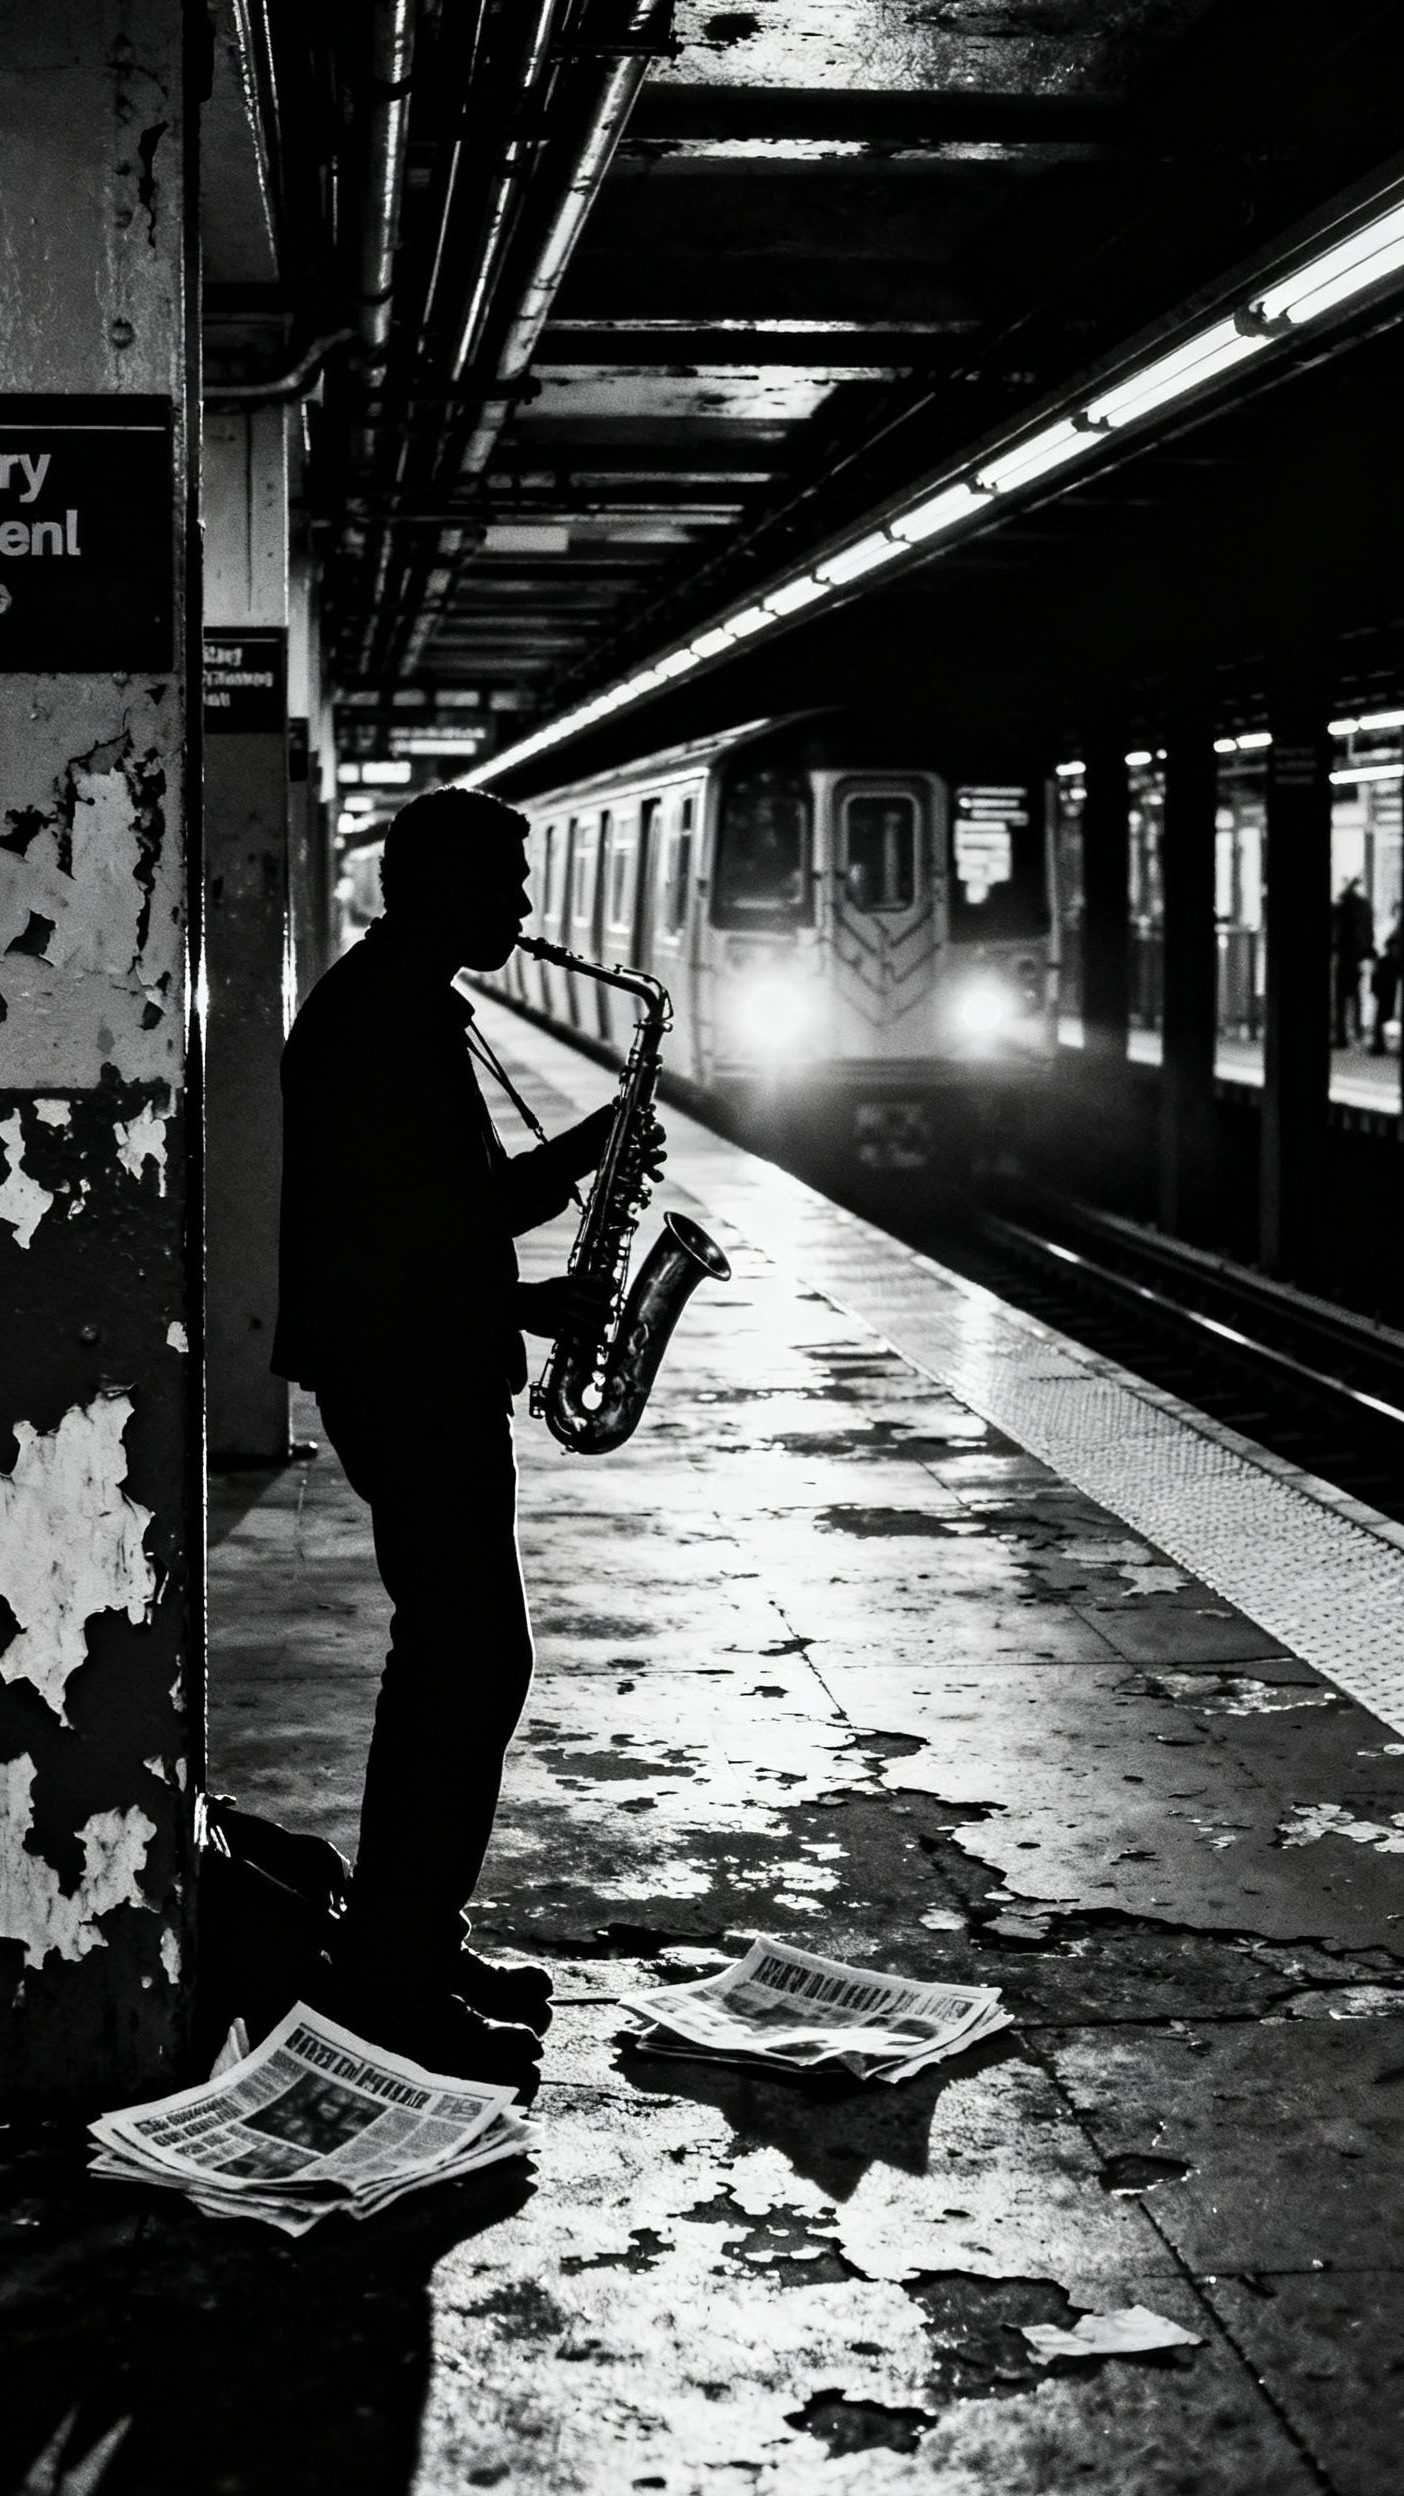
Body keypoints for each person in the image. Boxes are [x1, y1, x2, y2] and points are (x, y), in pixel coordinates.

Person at [273, 787, 647, 2092]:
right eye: (505, 883)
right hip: (407, 1375)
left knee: (459, 1658)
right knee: (465, 1660)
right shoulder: (382, 1021)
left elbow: (448, 1210)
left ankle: (415, 1942)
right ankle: (393, 1975)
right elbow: (401, 1238)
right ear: (435, 888)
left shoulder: (402, 1004)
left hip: (416, 1367)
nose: (525, 908)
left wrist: (589, 1158)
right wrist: (531, 1295)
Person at [1331, 875, 1374, 1049]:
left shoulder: (1342, 908)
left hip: (1345, 956)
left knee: (1341, 998)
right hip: (1356, 956)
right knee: (1355, 995)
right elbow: (1368, 932)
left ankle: (1342, 1034)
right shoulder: (1362, 907)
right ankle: (1357, 1031)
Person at [1370, 906, 1402, 1055]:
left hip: (1388, 987)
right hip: (1387, 987)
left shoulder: (1385, 960)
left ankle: (1380, 1044)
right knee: (1383, 1014)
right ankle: (1379, 1044)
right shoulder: (1386, 961)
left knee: (1382, 1015)